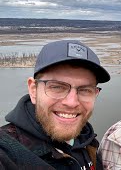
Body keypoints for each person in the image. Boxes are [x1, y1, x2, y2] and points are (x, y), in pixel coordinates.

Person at [1, 40, 110, 169]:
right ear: (33, 90)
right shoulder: (7, 150)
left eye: (85, 90)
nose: (72, 102)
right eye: (57, 87)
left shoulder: (87, 140)